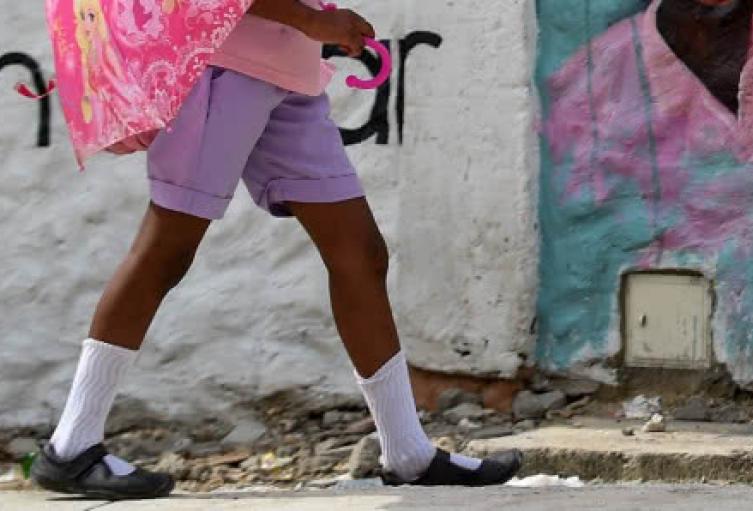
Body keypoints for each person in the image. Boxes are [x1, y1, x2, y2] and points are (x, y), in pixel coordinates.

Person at [31, 0, 522, 499]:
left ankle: (408, 452)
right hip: (222, 71)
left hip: (290, 75)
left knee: (360, 252)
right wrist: (313, 21)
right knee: (167, 248)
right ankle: (72, 446)